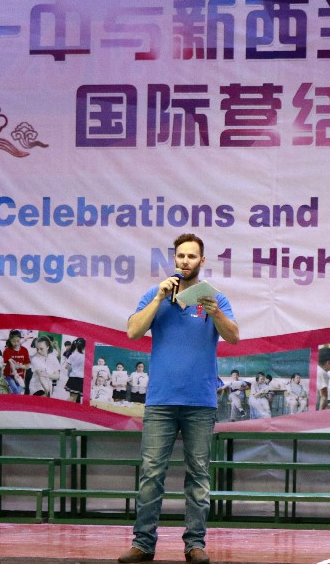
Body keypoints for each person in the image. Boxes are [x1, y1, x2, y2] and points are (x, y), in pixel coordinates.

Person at [119, 233, 239, 564]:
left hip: (200, 402)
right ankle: (143, 544)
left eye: (192, 256)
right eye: (181, 256)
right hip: (161, 401)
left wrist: (216, 313)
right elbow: (133, 331)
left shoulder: (215, 299)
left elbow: (233, 337)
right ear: (174, 259)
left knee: (198, 476)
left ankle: (195, 544)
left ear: (202, 261)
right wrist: (158, 298)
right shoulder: (155, 294)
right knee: (151, 474)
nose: (185, 261)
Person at [2, 330, 30, 395]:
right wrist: (15, 374)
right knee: (16, 392)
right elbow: (11, 363)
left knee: (17, 394)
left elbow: (27, 366)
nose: (16, 343)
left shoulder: (24, 350)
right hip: (9, 376)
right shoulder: (7, 351)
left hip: (20, 377)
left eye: (18, 341)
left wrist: (20, 366)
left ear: (20, 339)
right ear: (10, 340)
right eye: (13, 341)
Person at [65, 337, 86, 402]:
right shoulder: (85, 356)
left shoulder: (72, 355)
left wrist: (72, 370)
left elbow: (67, 366)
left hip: (72, 377)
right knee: (73, 398)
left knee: (73, 398)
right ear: (84, 346)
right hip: (79, 379)